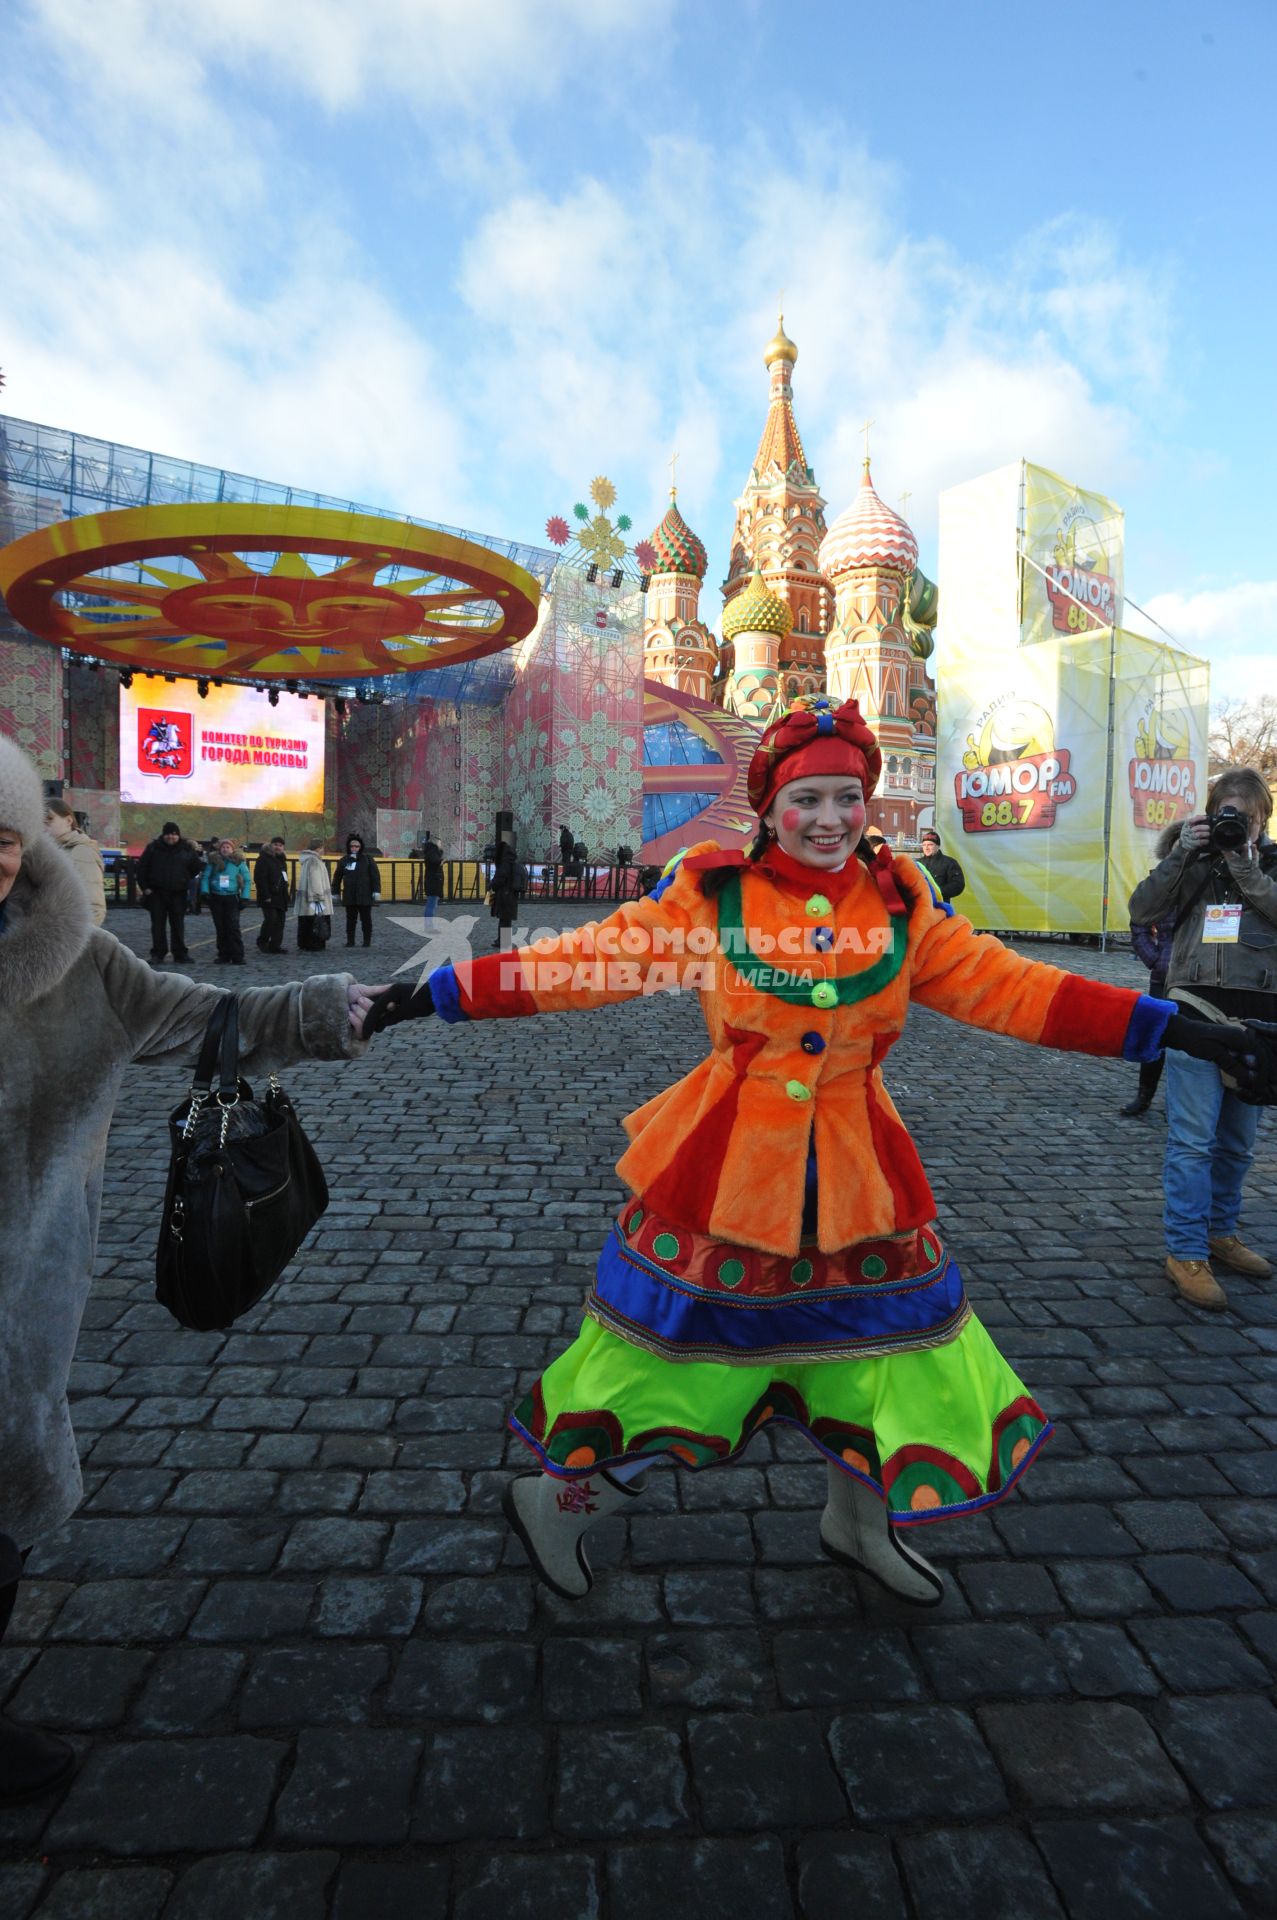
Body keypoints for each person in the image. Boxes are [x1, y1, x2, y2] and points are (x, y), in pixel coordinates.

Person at [363, 697, 1270, 1607]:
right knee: (675, 1352)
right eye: (807, 799)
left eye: (848, 797)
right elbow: (584, 962)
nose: (830, 820)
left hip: (858, 1171)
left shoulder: (902, 903)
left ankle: (855, 1524)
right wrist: (434, 994)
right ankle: (558, 1503)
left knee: (885, 1351)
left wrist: (1166, 1028)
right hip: (725, 1171)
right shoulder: (710, 897)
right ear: (766, 806)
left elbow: (1011, 988)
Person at [0, 733, 380, 1799]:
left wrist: (316, 1009)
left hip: (22, 1301)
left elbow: (195, 1014)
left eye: (0, 839)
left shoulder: (73, 957)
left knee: (0, 1515)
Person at [1129, 767, 1277, 1309]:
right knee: (1193, 1142)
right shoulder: (1191, 861)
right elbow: (1141, 909)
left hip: (1260, 1023)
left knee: (1237, 1144)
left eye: (1249, 818)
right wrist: (1180, 855)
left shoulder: (1272, 864)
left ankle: (1221, 1232)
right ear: (1213, 815)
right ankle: (1185, 1251)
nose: (1239, 826)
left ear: (1262, 820)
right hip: (1195, 1013)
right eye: (1228, 816)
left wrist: (1246, 868)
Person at [1122, 866, 1176, 1118]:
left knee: (1199, 1040)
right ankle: (1144, 1094)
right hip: (1165, 974)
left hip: (1203, 977)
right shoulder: (1159, 881)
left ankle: (1185, 1103)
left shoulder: (1216, 878)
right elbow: (1139, 923)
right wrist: (1155, 959)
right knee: (1156, 1035)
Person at [136, 821, 202, 962]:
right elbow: (141, 869)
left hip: (178, 893)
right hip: (156, 893)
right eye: (167, 834)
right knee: (157, 925)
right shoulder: (153, 848)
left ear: (178, 835)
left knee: (178, 924)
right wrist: (145, 888)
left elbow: (196, 866)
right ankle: (158, 953)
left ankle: (180, 953)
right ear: (163, 835)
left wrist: (184, 879)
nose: (170, 837)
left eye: (173, 834)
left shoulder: (186, 849)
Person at [44, 798, 106, 926]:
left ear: (68, 821)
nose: (43, 826)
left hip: (63, 935)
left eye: (49, 819)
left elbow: (94, 907)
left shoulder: (81, 851)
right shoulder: (52, 850)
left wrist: (71, 941)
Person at [201, 838, 252, 965]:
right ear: (219, 849)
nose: (225, 849)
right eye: (223, 847)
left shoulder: (238, 862)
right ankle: (223, 954)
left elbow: (247, 880)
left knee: (233, 927)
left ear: (232, 849)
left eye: (228, 847)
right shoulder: (213, 861)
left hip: (232, 897)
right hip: (216, 897)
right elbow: (206, 877)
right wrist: (205, 892)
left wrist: (245, 897)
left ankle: (237, 955)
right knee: (221, 927)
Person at [335, 832, 380, 948]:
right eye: (352, 846)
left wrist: (376, 891)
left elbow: (375, 876)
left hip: (365, 895)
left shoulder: (368, 859)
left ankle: (366, 941)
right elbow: (337, 877)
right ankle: (350, 941)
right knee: (350, 920)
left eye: (356, 846)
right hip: (350, 896)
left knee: (366, 920)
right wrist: (335, 892)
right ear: (348, 847)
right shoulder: (344, 860)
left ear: (361, 847)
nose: (354, 848)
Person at [254, 835, 291, 954]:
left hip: (280, 896)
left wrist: (286, 895)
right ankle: (262, 941)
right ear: (271, 845)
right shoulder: (263, 859)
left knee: (280, 922)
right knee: (271, 919)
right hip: (269, 895)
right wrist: (266, 896)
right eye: (276, 845)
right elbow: (260, 878)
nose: (278, 847)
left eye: (280, 845)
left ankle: (275, 945)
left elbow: (284, 879)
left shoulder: (282, 860)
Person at [295, 842, 334, 951]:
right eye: (322, 848)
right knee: (318, 920)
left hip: (307, 898)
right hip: (315, 899)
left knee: (305, 920)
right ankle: (315, 942)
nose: (323, 851)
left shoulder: (307, 860)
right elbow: (315, 880)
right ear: (318, 848)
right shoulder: (314, 861)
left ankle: (303, 942)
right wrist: (318, 897)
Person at [918, 828, 965, 905]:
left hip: (941, 908)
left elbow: (958, 885)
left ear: (938, 846)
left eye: (930, 845)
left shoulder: (950, 863)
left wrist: (936, 892)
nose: (926, 848)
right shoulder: (917, 863)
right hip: (920, 907)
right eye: (924, 845)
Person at [489, 841, 522, 951]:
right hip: (510, 895)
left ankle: (503, 941)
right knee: (505, 918)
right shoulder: (511, 862)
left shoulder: (505, 864)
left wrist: (492, 884)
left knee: (504, 919)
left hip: (505, 894)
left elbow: (500, 878)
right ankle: (503, 940)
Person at [422, 834, 445, 923]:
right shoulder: (432, 853)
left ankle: (429, 926)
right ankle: (429, 926)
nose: (441, 844)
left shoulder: (431, 852)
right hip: (433, 882)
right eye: (440, 843)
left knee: (432, 904)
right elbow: (436, 862)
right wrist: (441, 861)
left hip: (432, 881)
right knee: (431, 905)